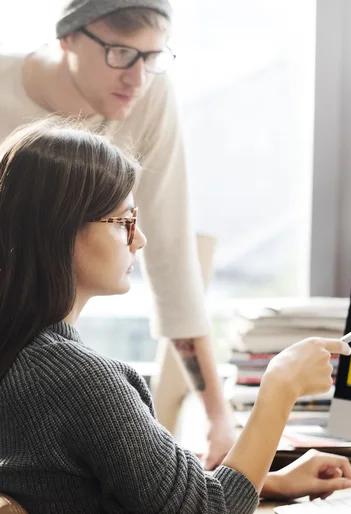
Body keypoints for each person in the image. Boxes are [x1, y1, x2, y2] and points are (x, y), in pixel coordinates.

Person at [0, 119, 351, 513]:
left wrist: (266, 482)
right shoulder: (79, 381)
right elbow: (209, 510)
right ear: (60, 231)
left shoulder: (22, 356)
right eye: (124, 222)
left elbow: (95, 488)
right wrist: (281, 387)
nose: (140, 239)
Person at [0, 0, 236, 468]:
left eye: (153, 57)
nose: (138, 78)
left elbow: (170, 257)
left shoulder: (149, 94)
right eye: (121, 53)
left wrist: (217, 417)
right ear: (67, 37)